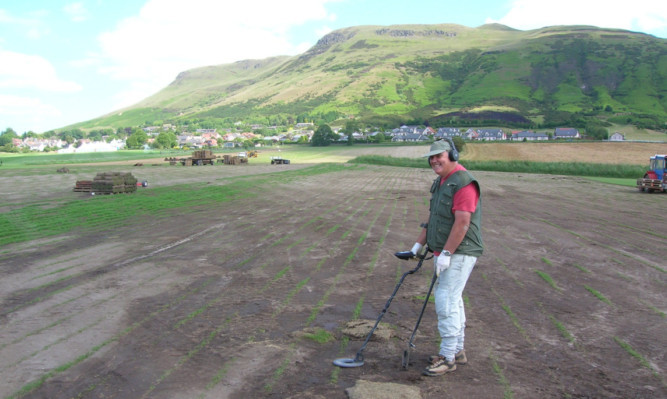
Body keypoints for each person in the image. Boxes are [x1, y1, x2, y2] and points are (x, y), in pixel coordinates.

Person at [403, 139, 483, 377]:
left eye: (440, 156)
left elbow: (462, 223)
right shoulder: (442, 182)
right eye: (431, 157)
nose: (434, 160)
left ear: (453, 156)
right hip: (447, 252)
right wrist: (417, 246)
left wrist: (446, 253)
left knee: (446, 301)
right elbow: (435, 218)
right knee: (453, 299)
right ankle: (457, 350)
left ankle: (448, 357)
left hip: (460, 252)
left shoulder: (463, 183)